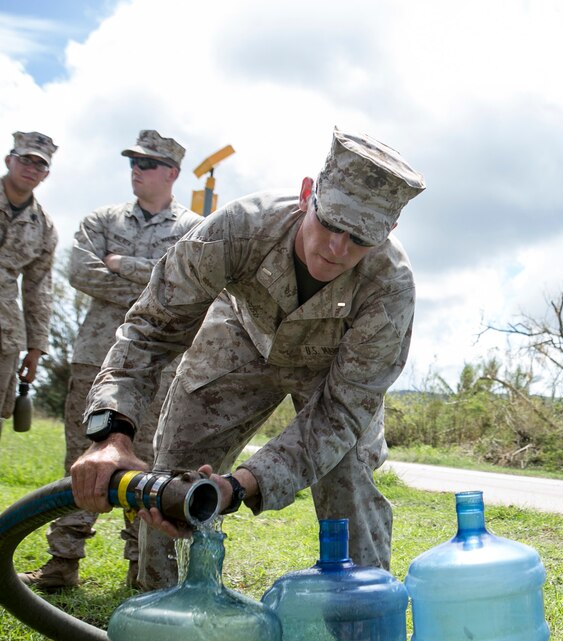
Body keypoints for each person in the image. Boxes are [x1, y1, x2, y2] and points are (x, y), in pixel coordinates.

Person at [70, 128, 425, 591]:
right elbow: (151, 329)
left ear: (388, 232)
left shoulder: (390, 289)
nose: (337, 249)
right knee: (170, 478)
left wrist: (240, 485)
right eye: (331, 224)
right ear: (306, 195)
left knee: (350, 481)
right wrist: (112, 431)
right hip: (239, 337)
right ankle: (164, 623)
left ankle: (365, 630)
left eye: (359, 239)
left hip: (330, 372)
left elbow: (342, 410)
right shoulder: (236, 229)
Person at [20, 131, 203, 591]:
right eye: (133, 162)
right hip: (96, 358)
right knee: (80, 458)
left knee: (151, 463)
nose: (136, 170)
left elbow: (192, 288)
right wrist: (154, 280)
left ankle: (141, 569)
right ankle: (62, 562)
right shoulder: (101, 218)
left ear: (172, 173)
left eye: (147, 162)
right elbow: (81, 271)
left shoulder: (194, 230)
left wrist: (123, 263)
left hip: (161, 364)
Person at [0, 132, 57, 439]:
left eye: (40, 165)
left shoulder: (44, 228)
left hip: (4, 333)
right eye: (25, 160)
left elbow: (39, 289)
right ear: (10, 160)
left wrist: (35, 348)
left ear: (45, 174)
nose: (31, 168)